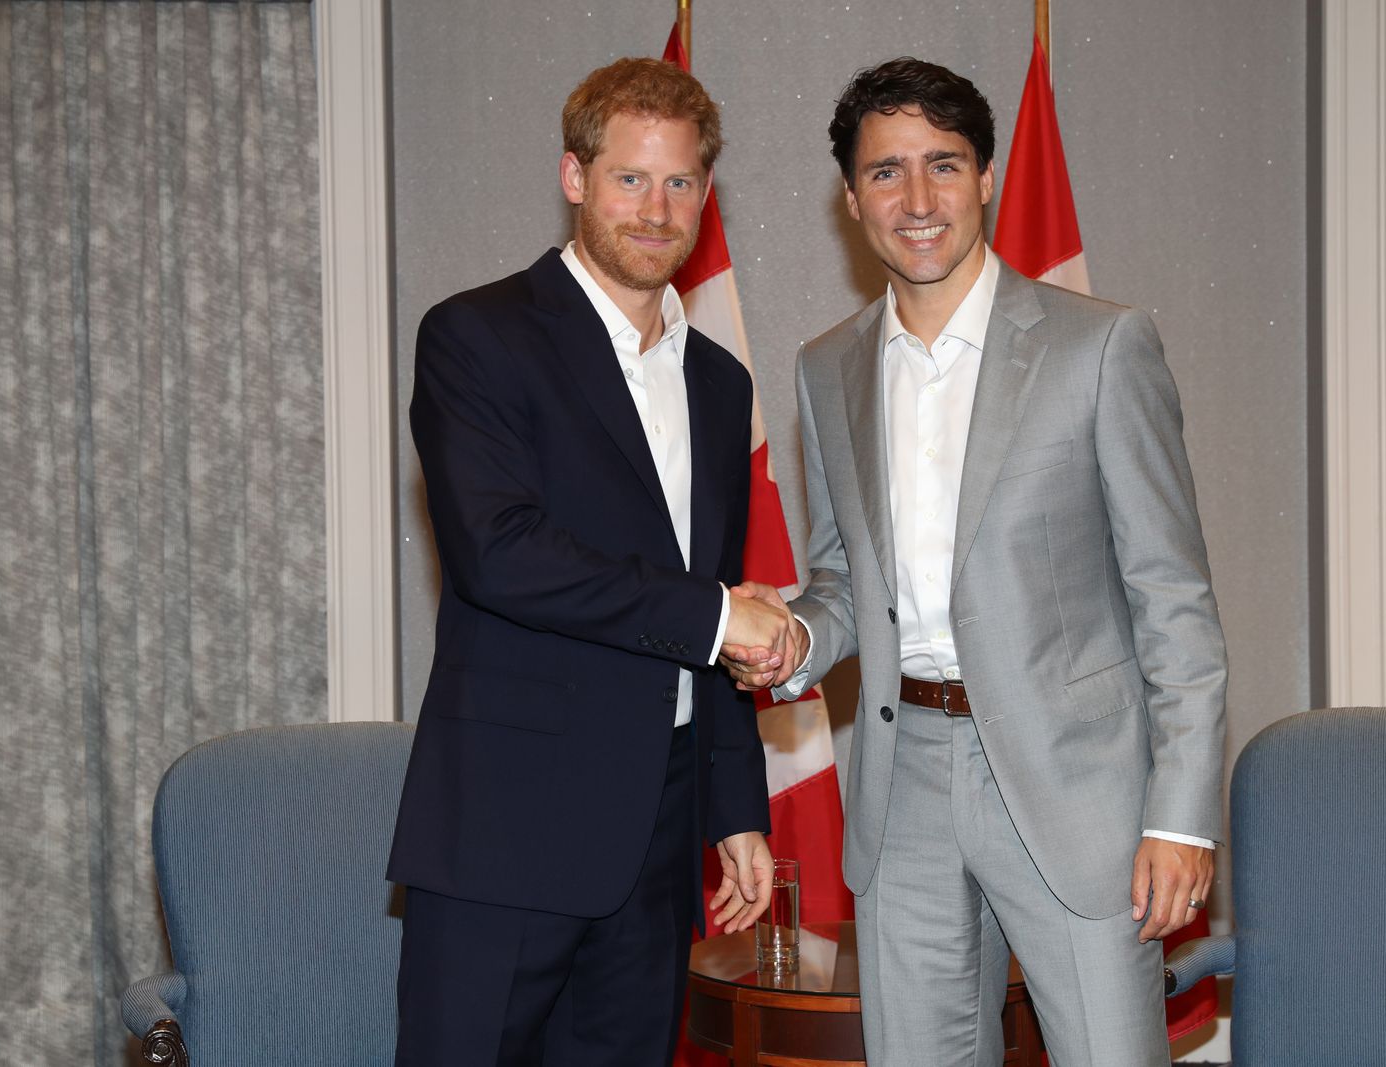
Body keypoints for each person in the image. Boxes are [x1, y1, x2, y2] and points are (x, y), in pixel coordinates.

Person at [721, 57, 1228, 1066]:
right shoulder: (827, 366)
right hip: (900, 781)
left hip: (1074, 790)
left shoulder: (1100, 346)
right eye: (885, 172)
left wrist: (1182, 819)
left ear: (986, 176)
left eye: (943, 165)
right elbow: (841, 579)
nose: (917, 201)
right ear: (851, 197)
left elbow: (1172, 598)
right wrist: (796, 639)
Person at [387, 57, 800, 1067]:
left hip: (659, 835)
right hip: (506, 825)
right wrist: (715, 615)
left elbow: (716, 588)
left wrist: (737, 808)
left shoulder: (717, 380)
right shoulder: (476, 335)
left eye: (681, 183)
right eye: (629, 179)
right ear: (574, 177)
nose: (657, 211)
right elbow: (500, 553)